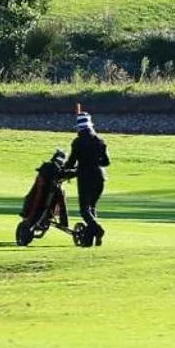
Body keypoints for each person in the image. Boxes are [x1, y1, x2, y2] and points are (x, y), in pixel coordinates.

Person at [62, 105, 111, 246]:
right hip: (100, 177)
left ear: (79, 128)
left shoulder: (77, 142)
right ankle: (89, 239)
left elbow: (71, 162)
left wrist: (64, 170)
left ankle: (98, 230)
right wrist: (94, 162)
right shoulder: (100, 141)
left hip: (85, 178)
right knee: (92, 208)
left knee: (84, 210)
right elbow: (106, 162)